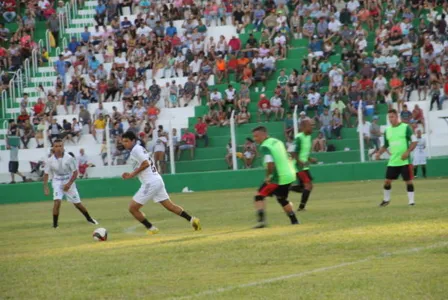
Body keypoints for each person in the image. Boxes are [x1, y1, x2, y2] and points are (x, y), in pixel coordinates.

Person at [120, 131, 201, 234]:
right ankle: (193, 220)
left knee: (132, 208)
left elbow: (146, 163)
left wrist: (132, 174)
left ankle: (151, 229)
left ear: (133, 141)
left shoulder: (136, 150)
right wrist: (132, 173)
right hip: (156, 180)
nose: (124, 143)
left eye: (126, 141)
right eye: (123, 141)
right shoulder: (138, 150)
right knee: (170, 206)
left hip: (150, 183)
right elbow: (144, 165)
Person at [43, 140, 98, 228]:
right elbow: (46, 174)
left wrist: (69, 184)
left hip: (69, 182)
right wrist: (45, 187)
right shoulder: (49, 160)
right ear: (53, 148)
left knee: (77, 204)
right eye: (56, 146)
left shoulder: (69, 158)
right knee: (57, 202)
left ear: (63, 147)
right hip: (57, 182)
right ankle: (55, 225)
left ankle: (89, 219)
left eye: (60, 146)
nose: (58, 148)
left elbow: (75, 173)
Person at [251, 126, 299, 228]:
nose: (255, 139)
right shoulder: (277, 141)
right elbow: (289, 156)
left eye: (257, 136)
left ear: (264, 134)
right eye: (254, 137)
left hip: (277, 177)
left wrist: (268, 176)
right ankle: (294, 221)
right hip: (289, 175)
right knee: (282, 199)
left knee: (259, 196)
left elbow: (270, 162)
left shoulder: (264, 146)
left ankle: (261, 222)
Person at [375, 110, 418, 207]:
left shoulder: (405, 127)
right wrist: (378, 153)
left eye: (392, 117)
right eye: (389, 117)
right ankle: (386, 200)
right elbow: (385, 145)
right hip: (393, 161)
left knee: (408, 181)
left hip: (404, 161)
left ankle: (411, 201)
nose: (391, 119)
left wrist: (407, 152)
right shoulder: (387, 130)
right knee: (387, 181)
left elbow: (414, 141)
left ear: (397, 116)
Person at [290, 120, 317, 211]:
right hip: (299, 166)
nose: (311, 127)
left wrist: (310, 159)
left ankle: (287, 188)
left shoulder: (308, 137)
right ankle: (301, 208)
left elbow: (304, 152)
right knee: (308, 186)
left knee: (303, 188)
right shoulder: (298, 138)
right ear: (303, 127)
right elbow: (293, 151)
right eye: (309, 126)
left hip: (304, 166)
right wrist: (299, 161)